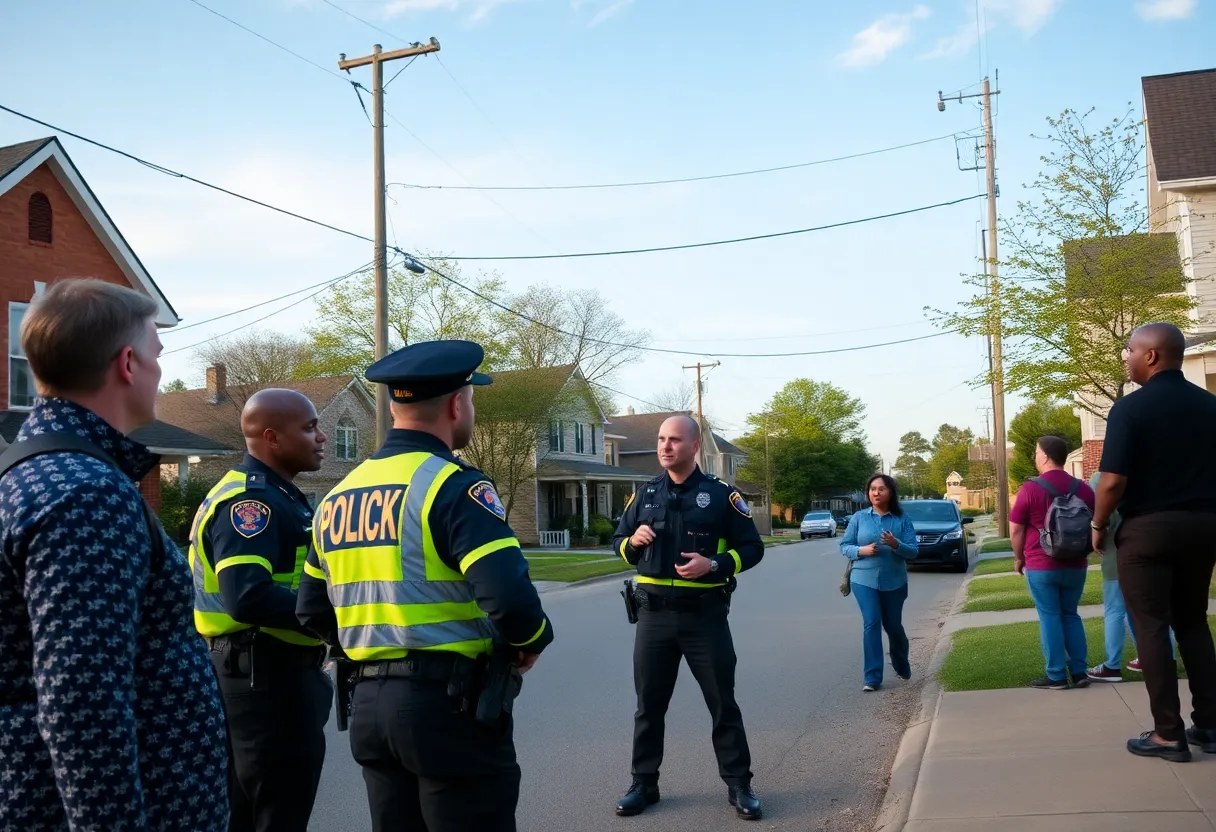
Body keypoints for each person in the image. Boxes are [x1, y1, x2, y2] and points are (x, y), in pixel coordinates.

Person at [296, 339, 554, 831]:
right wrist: (529, 639)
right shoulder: (454, 486)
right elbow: (509, 599)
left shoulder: (336, 496)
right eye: (471, 399)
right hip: (447, 709)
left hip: (368, 709)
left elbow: (310, 611)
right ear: (457, 404)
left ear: (395, 405)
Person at [0, 279, 228, 831]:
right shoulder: (87, 494)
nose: (158, 371)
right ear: (128, 363)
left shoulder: (28, 475)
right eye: (156, 354)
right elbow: (83, 699)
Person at [188, 388, 333, 831]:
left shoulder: (279, 494)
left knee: (253, 813)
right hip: (263, 680)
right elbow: (247, 595)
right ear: (271, 437)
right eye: (309, 428)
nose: (322, 437)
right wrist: (335, 622)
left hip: (266, 675)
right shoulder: (250, 504)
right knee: (275, 815)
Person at [612, 415, 765, 821]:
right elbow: (617, 541)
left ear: (694, 446)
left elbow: (752, 548)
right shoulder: (643, 494)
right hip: (653, 618)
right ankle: (644, 783)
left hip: (704, 619)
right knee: (649, 706)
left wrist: (714, 564)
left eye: (674, 440)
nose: (665, 446)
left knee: (722, 704)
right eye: (661, 439)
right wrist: (632, 542)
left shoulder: (720, 496)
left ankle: (739, 784)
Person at [1092, 322, 1216, 761]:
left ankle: (1168, 733)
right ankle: (1210, 725)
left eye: (1129, 351)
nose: (1125, 357)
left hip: (1148, 530)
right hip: (1204, 528)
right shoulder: (1210, 406)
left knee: (1150, 626)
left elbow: (1112, 481)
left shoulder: (1130, 410)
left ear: (1150, 356)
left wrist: (1098, 524)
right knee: (1194, 623)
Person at [1008, 435, 1094, 690]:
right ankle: (1079, 672)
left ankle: (1056, 675)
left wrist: (1019, 557)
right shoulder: (1084, 489)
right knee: (1071, 614)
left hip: (1041, 563)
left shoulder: (1031, 488)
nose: (1035, 456)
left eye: (1036, 452)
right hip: (1076, 563)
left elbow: (1015, 530)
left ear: (1045, 456)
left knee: (1049, 617)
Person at [1085, 470, 1177, 683]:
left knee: (1115, 610)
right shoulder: (1151, 475)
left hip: (1116, 552)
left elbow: (1094, 514)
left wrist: (1096, 529)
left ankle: (1112, 665)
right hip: (1151, 547)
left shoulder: (1101, 480)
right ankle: (1162, 657)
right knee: (1151, 609)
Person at [839, 473, 919, 692]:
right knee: (872, 622)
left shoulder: (902, 520)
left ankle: (901, 663)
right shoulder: (859, 518)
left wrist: (896, 544)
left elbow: (913, 551)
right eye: (872, 489)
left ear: (890, 492)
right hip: (863, 579)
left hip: (894, 581)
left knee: (893, 626)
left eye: (881, 489)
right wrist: (860, 551)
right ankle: (872, 677)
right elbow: (844, 545)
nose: (876, 492)